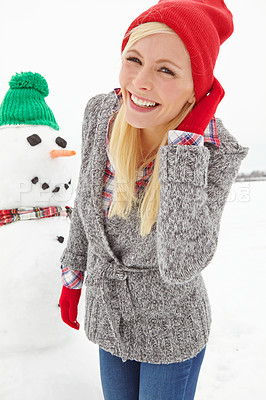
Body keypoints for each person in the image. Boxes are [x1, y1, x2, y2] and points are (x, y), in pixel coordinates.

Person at [59, 1, 249, 399]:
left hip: (171, 330)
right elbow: (85, 197)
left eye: (166, 70)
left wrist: (184, 145)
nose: (140, 82)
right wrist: (73, 277)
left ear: (197, 87)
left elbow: (181, 263)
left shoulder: (217, 152)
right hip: (109, 316)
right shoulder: (102, 114)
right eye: (134, 59)